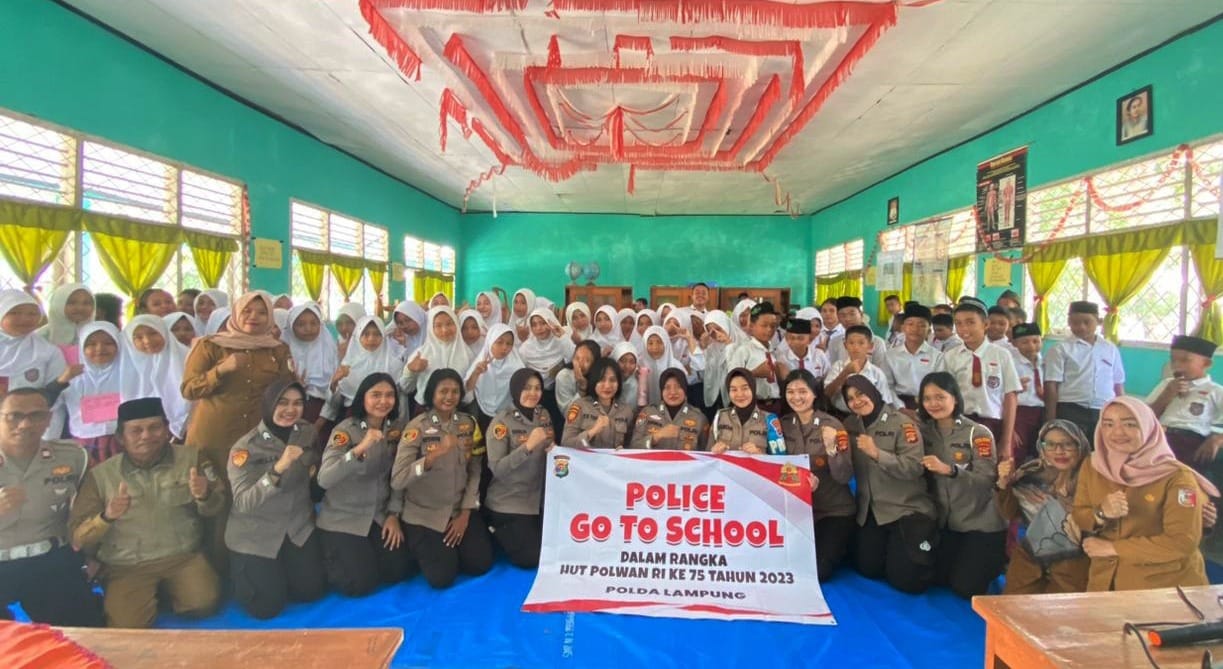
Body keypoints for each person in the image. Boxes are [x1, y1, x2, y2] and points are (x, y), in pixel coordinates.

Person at [70, 397, 223, 628]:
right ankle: (146, 594)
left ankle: (165, 592)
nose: (146, 436)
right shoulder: (101, 476)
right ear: (120, 437)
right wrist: (106, 517)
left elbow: (217, 507)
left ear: (167, 428)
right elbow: (77, 536)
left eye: (154, 427)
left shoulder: (192, 459)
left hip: (182, 556)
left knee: (203, 604)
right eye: (136, 430)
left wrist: (205, 496)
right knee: (127, 626)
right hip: (127, 565)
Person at [1072, 396, 1218, 591]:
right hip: (1104, 582)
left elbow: (1182, 542)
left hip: (1164, 588)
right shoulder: (1094, 465)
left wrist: (1113, 548)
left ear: (1148, 427)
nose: (1117, 432)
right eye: (1108, 424)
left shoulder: (1177, 477)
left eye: (1130, 424)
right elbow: (1079, 514)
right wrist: (1101, 514)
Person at [0, 388, 103, 627]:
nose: (25, 424)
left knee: (83, 633)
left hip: (47, 561)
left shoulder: (72, 457)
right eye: (14, 416)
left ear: (48, 419)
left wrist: (95, 554)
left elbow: (95, 504)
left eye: (36, 415)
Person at [226, 381, 326, 618]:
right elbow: (243, 503)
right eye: (282, 403)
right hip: (258, 533)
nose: (290, 410)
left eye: (297, 403)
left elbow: (315, 471)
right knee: (266, 608)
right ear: (269, 405)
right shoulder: (245, 448)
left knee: (311, 591)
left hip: (297, 527)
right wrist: (278, 469)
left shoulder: (306, 432)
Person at [391, 369, 492, 589]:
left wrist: (466, 512)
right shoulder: (416, 427)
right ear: (431, 394)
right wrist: (432, 457)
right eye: (443, 391)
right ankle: (418, 547)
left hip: (457, 508)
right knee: (442, 578)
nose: (449, 396)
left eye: (455, 391)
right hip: (425, 514)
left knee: (480, 564)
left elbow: (475, 469)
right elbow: (398, 479)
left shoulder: (468, 424)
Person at [317, 373, 415, 596]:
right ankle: (328, 551)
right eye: (376, 395)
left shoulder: (397, 430)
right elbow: (325, 478)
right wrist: (360, 448)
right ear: (363, 398)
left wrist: (393, 514)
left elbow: (398, 475)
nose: (383, 401)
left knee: (398, 570)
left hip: (378, 514)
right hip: (345, 517)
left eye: (389, 395)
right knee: (360, 585)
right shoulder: (345, 431)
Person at [843, 375, 937, 594]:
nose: (857, 401)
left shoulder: (902, 424)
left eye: (861, 394)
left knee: (907, 582)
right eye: (850, 398)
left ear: (873, 392)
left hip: (904, 509)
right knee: (868, 569)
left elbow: (914, 468)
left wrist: (877, 454)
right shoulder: (850, 425)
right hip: (871, 511)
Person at [916, 372, 1007, 599]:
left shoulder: (977, 433)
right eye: (927, 398)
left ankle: (995, 561)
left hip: (979, 523)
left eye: (940, 397)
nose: (933, 403)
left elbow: (987, 480)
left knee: (966, 588)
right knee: (932, 579)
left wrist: (951, 470)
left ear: (955, 398)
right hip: (946, 524)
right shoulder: (923, 432)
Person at [994, 420, 1091, 594]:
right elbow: (1010, 513)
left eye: (1067, 444)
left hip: (1074, 560)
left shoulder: (1092, 478)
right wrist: (1004, 483)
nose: (1059, 451)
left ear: (1080, 446)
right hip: (1030, 555)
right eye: (1051, 444)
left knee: (1061, 609)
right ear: (1042, 447)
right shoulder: (1031, 472)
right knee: (1012, 605)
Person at [779, 369, 854, 581]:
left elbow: (844, 476)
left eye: (803, 391)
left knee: (818, 571)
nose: (796, 397)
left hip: (832, 509)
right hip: (798, 511)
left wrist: (832, 450)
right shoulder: (782, 425)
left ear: (814, 394)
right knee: (782, 563)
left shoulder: (832, 426)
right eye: (790, 391)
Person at [485, 368, 555, 568]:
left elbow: (550, 445)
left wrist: (552, 449)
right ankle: (495, 527)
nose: (533, 393)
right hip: (510, 501)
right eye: (527, 388)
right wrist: (528, 447)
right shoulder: (501, 422)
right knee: (530, 558)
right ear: (516, 390)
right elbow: (497, 468)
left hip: (537, 499)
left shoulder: (543, 414)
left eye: (537, 388)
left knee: (555, 548)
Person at [942, 297, 1020, 459]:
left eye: (970, 322)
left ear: (985, 324)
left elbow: (1010, 396)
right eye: (958, 323)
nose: (964, 328)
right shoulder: (950, 356)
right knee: (960, 467)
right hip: (960, 423)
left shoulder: (1002, 355)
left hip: (992, 424)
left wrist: (1006, 440)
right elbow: (945, 394)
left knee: (990, 468)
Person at [1044, 301, 1125, 443]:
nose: (1081, 327)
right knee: (1072, 449)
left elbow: (1117, 383)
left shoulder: (1110, 349)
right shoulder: (1060, 349)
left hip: (1104, 410)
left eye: (1087, 322)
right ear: (1069, 322)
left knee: (1100, 450)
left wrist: (1123, 411)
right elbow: (1051, 385)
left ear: (1098, 321)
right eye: (1075, 322)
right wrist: (1051, 419)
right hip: (1070, 409)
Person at [48, 322, 123, 463]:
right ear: (82, 347)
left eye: (108, 343)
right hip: (84, 443)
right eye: (91, 344)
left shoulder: (127, 373)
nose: (100, 349)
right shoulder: (72, 375)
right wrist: (62, 381)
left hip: (122, 441)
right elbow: (48, 404)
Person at [1147, 335, 1223, 473]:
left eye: (1185, 360)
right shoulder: (1166, 384)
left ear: (1206, 364)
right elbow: (1146, 417)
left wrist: (1217, 440)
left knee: (1182, 478)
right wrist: (1168, 394)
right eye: (1173, 360)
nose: (1177, 365)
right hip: (1160, 436)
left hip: (1190, 443)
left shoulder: (1215, 390)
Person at [119, 315, 192, 440]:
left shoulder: (187, 357)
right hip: (142, 435)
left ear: (163, 331)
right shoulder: (125, 366)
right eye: (138, 337)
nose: (147, 340)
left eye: (153, 333)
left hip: (188, 428)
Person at [0, 290, 68, 397]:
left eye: (32, 314)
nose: (25, 319)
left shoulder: (49, 352)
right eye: (15, 313)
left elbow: (56, 394)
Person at [401, 306, 473, 408]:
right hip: (427, 410)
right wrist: (410, 370)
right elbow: (405, 388)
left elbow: (471, 391)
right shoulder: (421, 354)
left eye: (449, 324)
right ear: (431, 328)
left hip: (459, 409)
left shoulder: (468, 354)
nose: (445, 330)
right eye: (438, 326)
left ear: (456, 324)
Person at [519, 307, 575, 431]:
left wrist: (563, 337)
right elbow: (521, 375)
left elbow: (573, 358)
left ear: (551, 322)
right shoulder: (526, 349)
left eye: (543, 323)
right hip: (536, 396)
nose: (539, 328)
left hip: (559, 394)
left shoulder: (561, 342)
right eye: (534, 325)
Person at [561, 357, 634, 450]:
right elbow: (566, 443)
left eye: (612, 380)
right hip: (586, 459)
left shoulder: (626, 411)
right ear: (594, 381)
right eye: (602, 380)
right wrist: (592, 431)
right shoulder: (579, 406)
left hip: (615, 459)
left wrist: (624, 450)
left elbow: (632, 445)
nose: (607, 386)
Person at [282, 302, 338, 424]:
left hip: (326, 414)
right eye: (301, 324)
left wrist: (322, 420)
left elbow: (337, 389)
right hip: (288, 411)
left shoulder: (330, 351)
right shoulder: (283, 353)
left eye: (314, 323)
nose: (308, 328)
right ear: (291, 327)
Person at [725, 301, 786, 413]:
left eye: (773, 326)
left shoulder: (774, 351)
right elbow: (731, 379)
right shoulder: (744, 350)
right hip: (753, 405)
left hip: (774, 404)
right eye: (764, 325)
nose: (769, 330)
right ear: (752, 326)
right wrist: (754, 373)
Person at [464, 324, 524, 434]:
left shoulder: (516, 366)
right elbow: (468, 388)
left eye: (509, 344)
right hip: (482, 410)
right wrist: (476, 373)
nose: (504, 347)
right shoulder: (481, 362)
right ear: (490, 342)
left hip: (507, 414)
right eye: (499, 342)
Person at [826, 325, 899, 415]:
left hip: (871, 415)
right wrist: (845, 373)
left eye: (861, 343)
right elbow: (827, 394)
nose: (856, 347)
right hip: (841, 415)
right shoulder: (838, 367)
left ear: (870, 346)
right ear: (845, 345)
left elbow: (885, 401)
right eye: (851, 343)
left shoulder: (876, 373)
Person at [710, 368, 785, 454]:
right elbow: (705, 454)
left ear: (753, 388)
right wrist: (714, 451)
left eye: (745, 388)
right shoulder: (720, 417)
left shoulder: (770, 420)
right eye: (734, 389)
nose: (739, 394)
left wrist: (759, 453)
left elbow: (780, 457)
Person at [630, 368, 708, 451]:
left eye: (678, 387)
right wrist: (656, 437)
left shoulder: (699, 418)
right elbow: (633, 447)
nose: (673, 392)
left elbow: (706, 453)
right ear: (661, 391)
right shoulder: (647, 413)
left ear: (685, 389)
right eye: (667, 387)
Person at [885, 305, 942, 411]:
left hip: (929, 405)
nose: (915, 329)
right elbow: (887, 386)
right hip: (898, 404)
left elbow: (940, 386)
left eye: (921, 325)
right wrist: (900, 408)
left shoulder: (938, 357)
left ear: (929, 331)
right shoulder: (890, 355)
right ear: (903, 328)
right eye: (910, 324)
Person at [1009, 323, 1045, 463]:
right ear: (1014, 344)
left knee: (1039, 451)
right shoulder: (1011, 363)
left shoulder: (1045, 362)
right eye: (1024, 342)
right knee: (1017, 450)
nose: (1031, 346)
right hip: (1019, 412)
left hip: (1041, 412)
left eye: (1036, 341)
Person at [36, 283, 94, 349]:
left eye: (86, 303)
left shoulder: (98, 334)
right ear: (58, 304)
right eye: (72, 303)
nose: (80, 308)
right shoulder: (40, 338)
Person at [775, 316, 829, 384]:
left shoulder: (819, 355)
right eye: (791, 338)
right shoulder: (781, 358)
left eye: (800, 338)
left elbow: (828, 378)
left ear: (809, 339)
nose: (795, 342)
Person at [554, 340, 600, 410]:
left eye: (587, 360)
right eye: (577, 358)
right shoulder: (564, 376)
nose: (580, 364)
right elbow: (566, 412)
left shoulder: (600, 376)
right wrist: (582, 389)